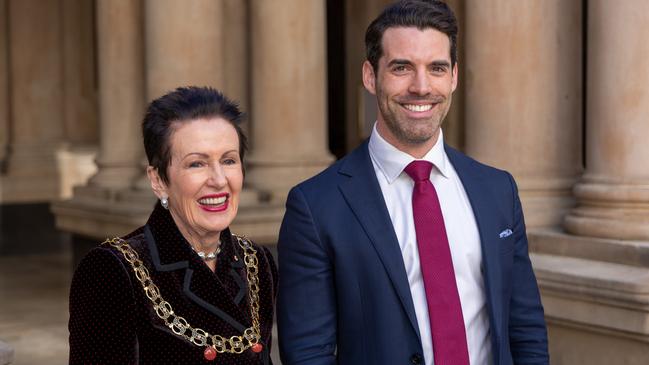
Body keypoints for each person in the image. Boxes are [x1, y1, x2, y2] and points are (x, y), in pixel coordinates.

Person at [277, 1, 548, 364]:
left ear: (453, 77)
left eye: (436, 68)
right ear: (371, 76)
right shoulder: (315, 206)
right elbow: (308, 353)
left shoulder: (498, 191)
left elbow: (525, 327)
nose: (421, 87)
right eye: (401, 67)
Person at [69, 86, 277, 364]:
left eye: (228, 160)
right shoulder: (114, 270)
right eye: (196, 164)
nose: (218, 179)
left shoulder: (256, 262)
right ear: (158, 180)